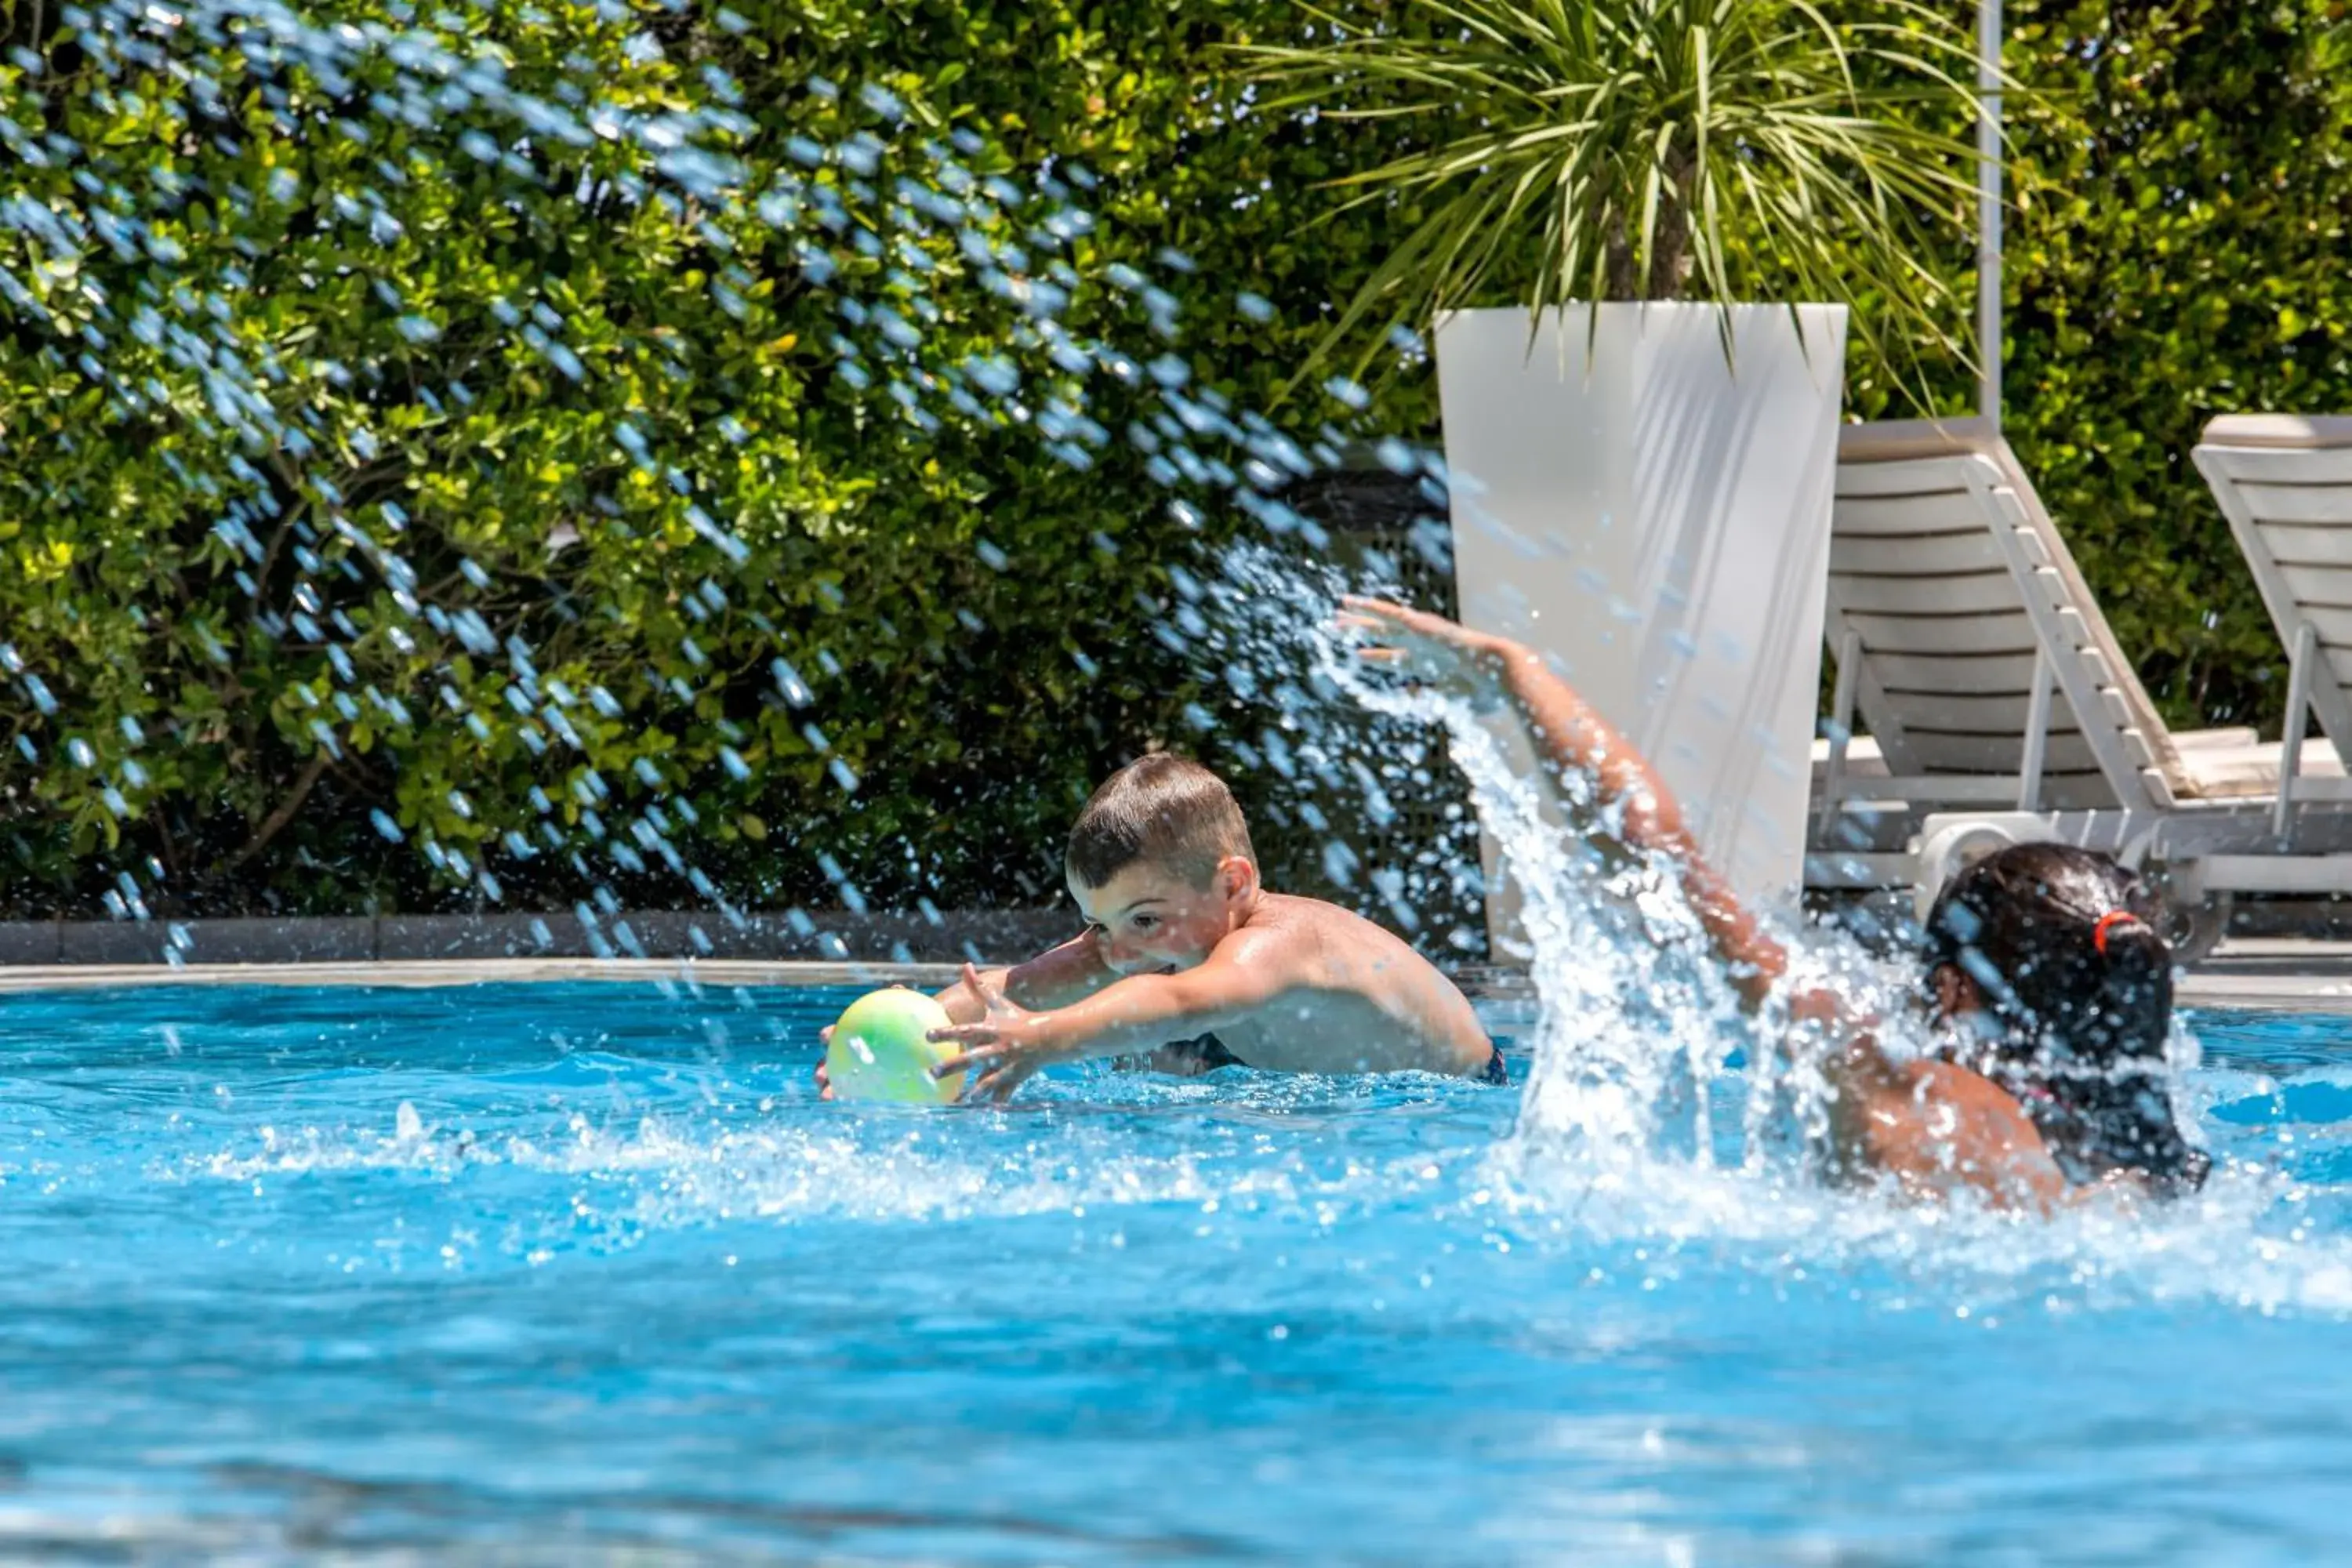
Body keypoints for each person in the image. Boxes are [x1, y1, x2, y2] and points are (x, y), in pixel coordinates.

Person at [1338, 596, 2210, 1208]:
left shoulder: (1907, 1093)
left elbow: (1662, 859)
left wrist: (1518, 673)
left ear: (1954, 989)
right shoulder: (2158, 1168)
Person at [820, 753, 1504, 1102]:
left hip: (1455, 1102)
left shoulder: (1281, 942)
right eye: (1098, 922)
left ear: (1232, 884)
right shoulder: (1146, 938)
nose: (1118, 946)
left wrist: (1042, 1040)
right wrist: (907, 1035)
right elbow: (1022, 986)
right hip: (1273, 1075)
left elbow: (1178, 1004)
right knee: (1119, 1056)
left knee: (1135, 1034)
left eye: (1143, 917)